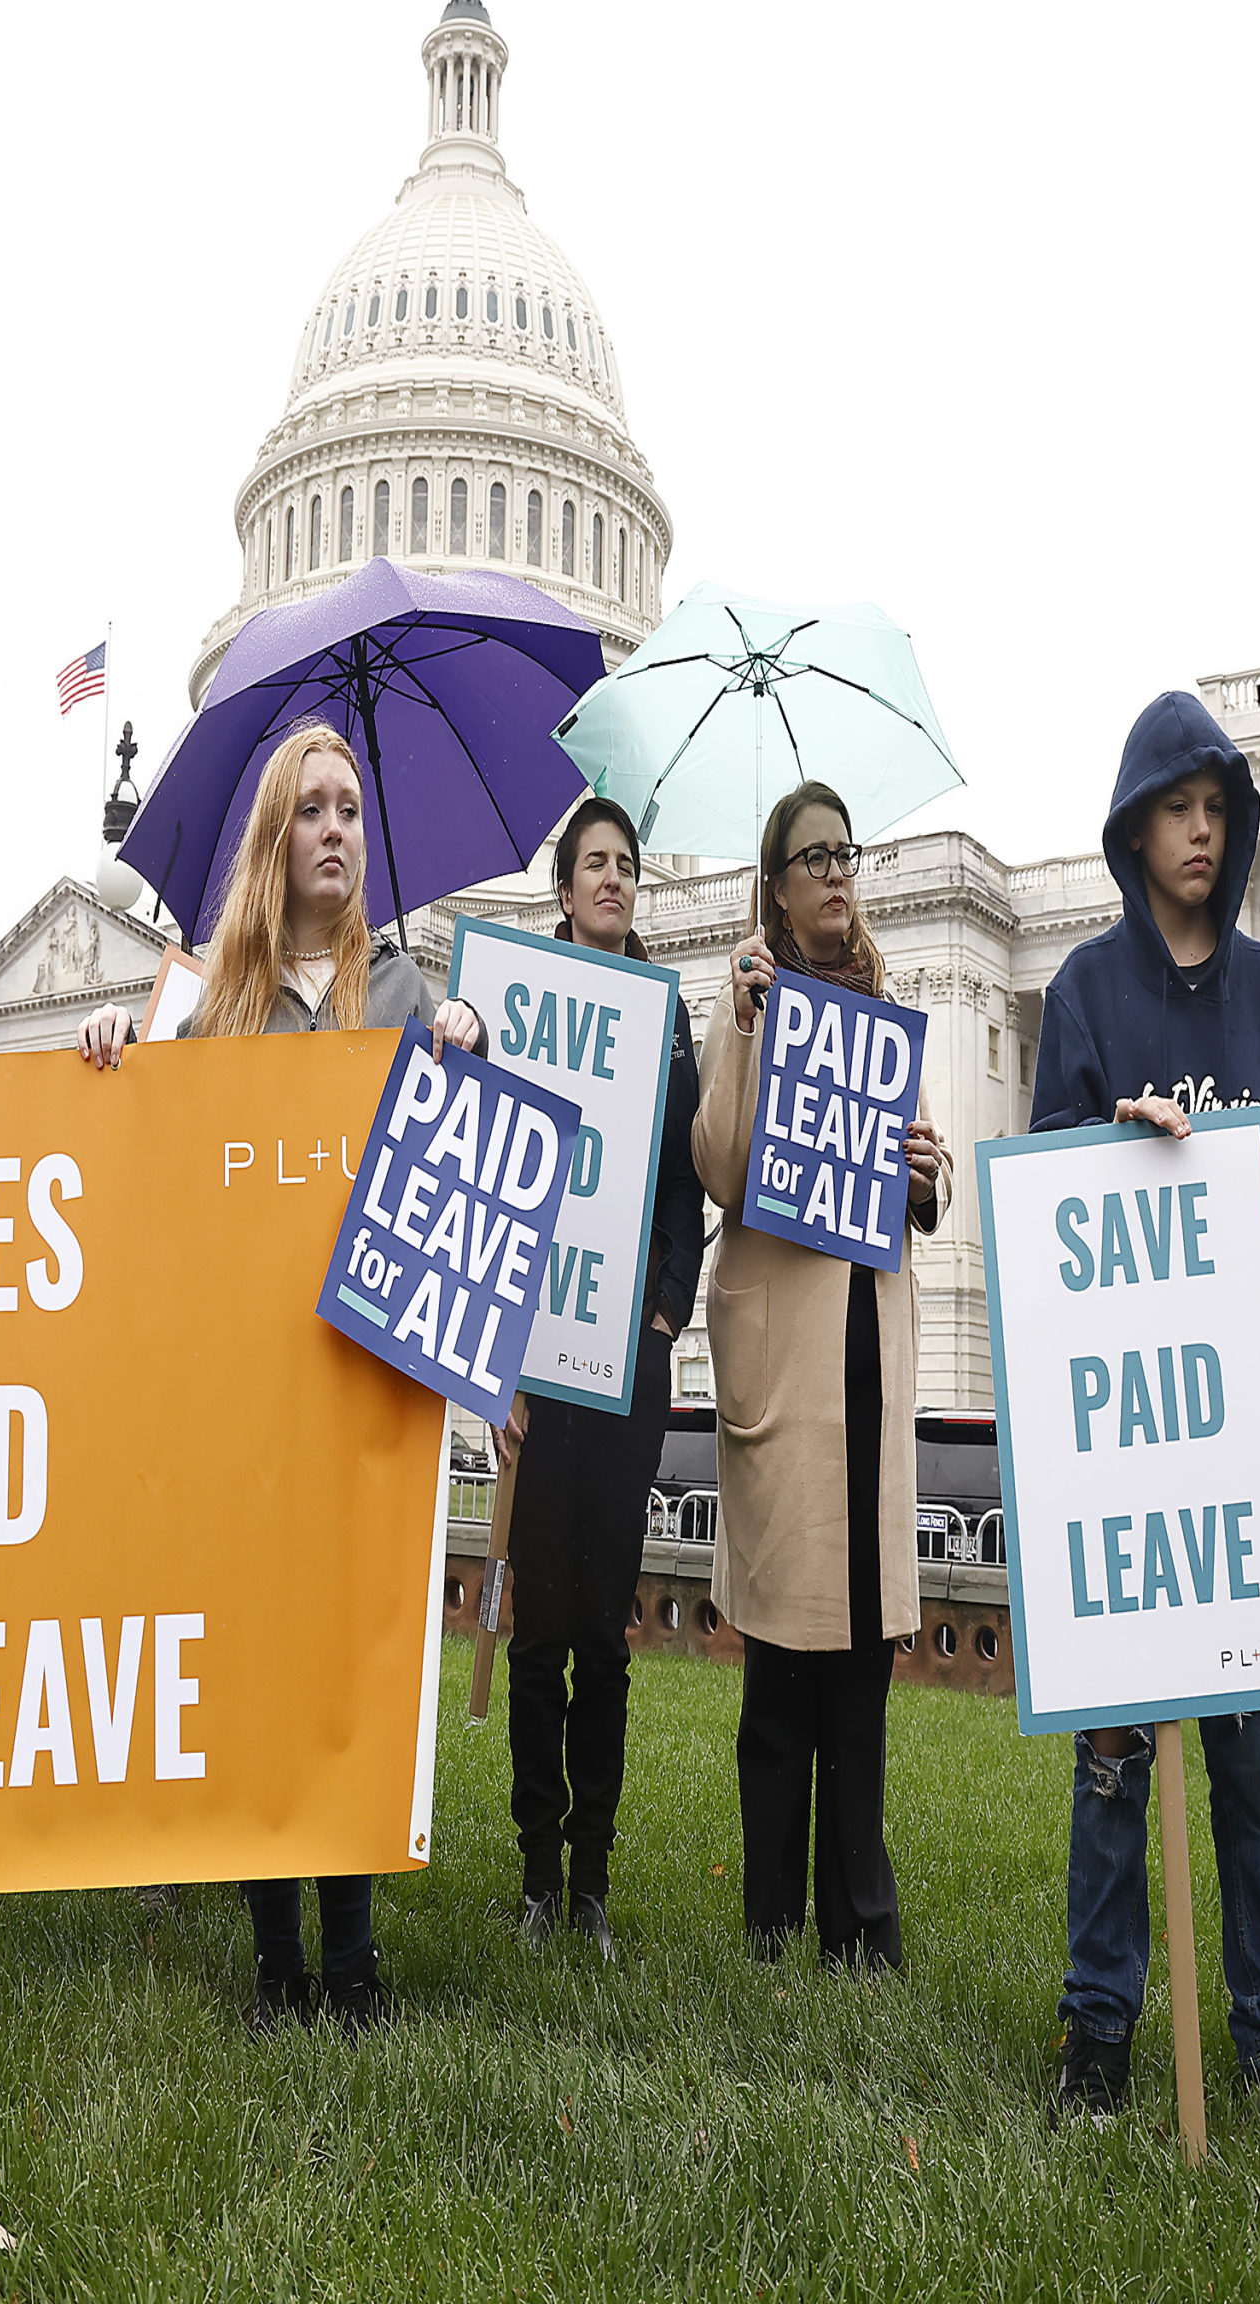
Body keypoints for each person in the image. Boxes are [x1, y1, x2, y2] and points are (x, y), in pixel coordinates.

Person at [75, 723, 483, 2030]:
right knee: (257, 1670)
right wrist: (106, 1054)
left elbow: (457, 1184)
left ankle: (353, 1965)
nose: (334, 831)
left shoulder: (407, 996)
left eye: (351, 811)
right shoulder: (220, 1010)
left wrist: (470, 1041)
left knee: (348, 1672)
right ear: (274, 834)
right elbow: (153, 1167)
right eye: (311, 809)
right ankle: (276, 1964)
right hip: (251, 1392)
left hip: (360, 1380)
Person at [1030, 690, 1260, 2120]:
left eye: (1218, 808)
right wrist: (1114, 1149)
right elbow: (1046, 1214)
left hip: (1239, 1448)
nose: (1202, 832)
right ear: (1134, 828)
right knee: (1110, 1765)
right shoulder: (1087, 993)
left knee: (1252, 1774)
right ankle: (1100, 2031)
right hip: (1118, 1454)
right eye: (1178, 809)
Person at [693, 781, 946, 1972]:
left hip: (864, 1343)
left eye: (848, 853)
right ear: (777, 887)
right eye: (814, 857)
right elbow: (725, 1171)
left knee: (858, 1653)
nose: (838, 874)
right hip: (781, 1354)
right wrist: (743, 1027)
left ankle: (862, 1919)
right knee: (784, 1658)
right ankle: (770, 1916)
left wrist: (924, 1166)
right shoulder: (745, 1005)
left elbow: (923, 1185)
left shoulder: (883, 1014)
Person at [490, 798, 706, 1960]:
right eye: (594, 865)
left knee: (604, 1639)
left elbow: (686, 1182)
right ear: (564, 887)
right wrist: (495, 1366)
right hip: (535, 1365)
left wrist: (667, 1302)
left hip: (628, 1362)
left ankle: (590, 1880)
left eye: (626, 866)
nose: (615, 880)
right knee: (535, 1634)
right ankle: (533, 1867)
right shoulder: (521, 1007)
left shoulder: (667, 1021)